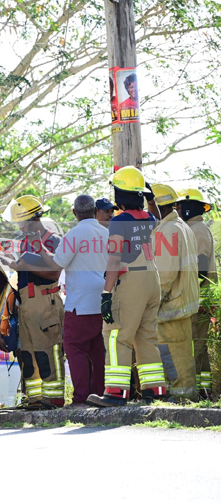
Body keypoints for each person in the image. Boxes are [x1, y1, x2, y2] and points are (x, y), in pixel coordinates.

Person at [88, 166, 167, 407]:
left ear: (119, 195)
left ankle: (116, 393)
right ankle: (156, 390)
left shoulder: (119, 221)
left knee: (115, 335)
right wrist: (151, 198)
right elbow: (158, 216)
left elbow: (114, 259)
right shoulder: (150, 218)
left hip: (130, 281)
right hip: (152, 280)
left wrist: (106, 293)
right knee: (146, 337)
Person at [37, 195, 109, 408]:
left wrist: (40, 249)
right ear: (95, 210)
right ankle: (98, 394)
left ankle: (80, 398)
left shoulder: (74, 234)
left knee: (74, 346)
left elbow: (56, 264)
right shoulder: (106, 233)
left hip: (81, 301)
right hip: (104, 299)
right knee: (98, 349)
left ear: (74, 213)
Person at [3, 196, 66, 408]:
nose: (19, 226)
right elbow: (22, 270)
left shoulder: (53, 240)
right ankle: (34, 399)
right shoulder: (23, 242)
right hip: (26, 304)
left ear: (32, 219)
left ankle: (54, 398)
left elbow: (54, 273)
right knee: (29, 354)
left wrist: (25, 268)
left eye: (20, 221)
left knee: (48, 350)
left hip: (45, 300)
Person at [151, 184, 200, 401]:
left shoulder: (168, 230)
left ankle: (181, 399)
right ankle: (185, 396)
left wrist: (152, 303)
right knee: (181, 353)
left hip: (171, 306)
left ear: (156, 204)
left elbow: (165, 275)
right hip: (182, 303)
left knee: (173, 355)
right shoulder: (180, 226)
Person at [176, 188, 218, 399]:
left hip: (198, 298)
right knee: (198, 348)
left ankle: (193, 392)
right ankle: (204, 390)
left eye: (181, 206)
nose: (178, 209)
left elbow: (200, 267)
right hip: (198, 298)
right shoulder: (192, 228)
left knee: (194, 347)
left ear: (190, 207)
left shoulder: (197, 230)